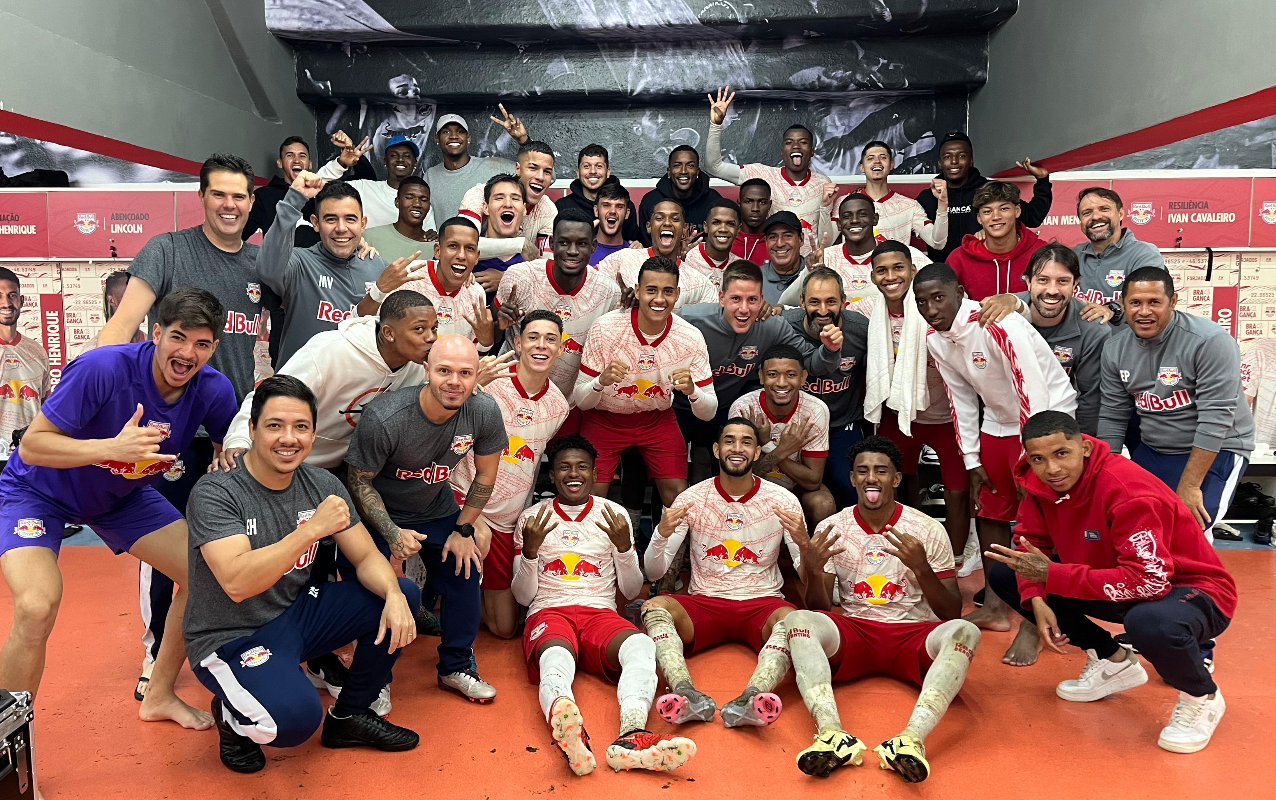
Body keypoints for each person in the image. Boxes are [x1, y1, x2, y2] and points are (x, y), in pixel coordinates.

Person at [0, 288, 239, 733]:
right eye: (178, 337)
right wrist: (110, 447)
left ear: (214, 347)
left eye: (202, 344)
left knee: (203, 571)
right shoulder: (103, 368)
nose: (187, 354)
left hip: (121, 496)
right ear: (156, 332)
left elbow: (235, 444)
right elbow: (32, 446)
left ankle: (160, 693)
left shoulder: (213, 389)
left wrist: (231, 455)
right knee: (36, 605)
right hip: (39, 492)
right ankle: (11, 750)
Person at [185, 375, 421, 773]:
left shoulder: (321, 483)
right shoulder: (216, 491)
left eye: (301, 427)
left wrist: (395, 598)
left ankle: (350, 716)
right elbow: (238, 583)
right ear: (253, 429)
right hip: (230, 635)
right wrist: (311, 530)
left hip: (297, 616)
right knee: (291, 723)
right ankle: (231, 717)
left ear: (314, 434)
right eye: (275, 426)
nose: (288, 438)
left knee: (400, 594)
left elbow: (364, 556)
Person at [98, 154, 267, 702]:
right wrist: (107, 405)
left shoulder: (259, 266)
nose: (229, 204)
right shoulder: (167, 249)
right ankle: (155, 652)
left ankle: (222, 645)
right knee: (166, 549)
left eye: (239, 196)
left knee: (232, 547)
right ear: (202, 197)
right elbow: (122, 328)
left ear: (250, 202)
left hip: (231, 436)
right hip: (167, 435)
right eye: (219, 194)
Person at [220, 291, 436, 709]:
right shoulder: (330, 351)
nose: (430, 338)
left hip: (337, 471)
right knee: (292, 567)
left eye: (433, 329)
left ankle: (341, 660)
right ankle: (280, 656)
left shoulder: (412, 370)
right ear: (388, 332)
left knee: (348, 565)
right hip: (286, 462)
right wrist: (236, 440)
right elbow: (270, 396)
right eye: (420, 330)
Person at [986, 411, 1236, 754]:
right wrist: (1037, 598)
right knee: (1006, 573)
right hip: (1120, 578)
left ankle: (1202, 695)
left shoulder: (1127, 491)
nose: (1052, 469)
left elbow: (1150, 584)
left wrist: (1052, 576)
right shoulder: (1040, 484)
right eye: (1039, 459)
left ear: (1084, 448)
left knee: (1149, 622)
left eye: (1062, 454)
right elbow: (1031, 545)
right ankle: (1111, 660)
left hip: (1193, 590)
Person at [786, 436, 979, 782]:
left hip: (913, 636)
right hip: (856, 632)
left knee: (967, 632)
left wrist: (922, 568)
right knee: (798, 619)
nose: (871, 478)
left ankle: (912, 740)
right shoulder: (832, 527)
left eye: (881, 471)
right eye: (862, 471)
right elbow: (819, 608)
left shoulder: (927, 529)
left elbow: (951, 612)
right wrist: (813, 572)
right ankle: (831, 734)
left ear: (896, 478)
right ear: (853, 479)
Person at [513, 436, 696, 774]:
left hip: (600, 611)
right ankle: (569, 729)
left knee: (641, 645)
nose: (574, 474)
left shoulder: (613, 514)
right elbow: (523, 598)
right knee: (556, 656)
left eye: (582, 467)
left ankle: (632, 735)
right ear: (551, 476)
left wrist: (626, 549)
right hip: (549, 610)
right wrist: (530, 552)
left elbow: (629, 590)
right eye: (564, 467)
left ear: (597, 473)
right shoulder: (532, 518)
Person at [915, 263, 1076, 641]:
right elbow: (961, 400)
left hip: (1048, 419)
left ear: (958, 293)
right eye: (922, 302)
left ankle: (1038, 617)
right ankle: (996, 606)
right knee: (988, 508)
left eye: (939, 298)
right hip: (1000, 421)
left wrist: (1031, 459)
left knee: (1039, 514)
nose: (931, 309)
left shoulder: (997, 323)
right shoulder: (936, 340)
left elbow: (1031, 388)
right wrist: (972, 460)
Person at [344, 335, 504, 702]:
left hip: (436, 509)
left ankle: (456, 666)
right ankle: (376, 679)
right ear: (426, 370)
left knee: (466, 566)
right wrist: (391, 532)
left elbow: (485, 475)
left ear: (476, 375)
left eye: (465, 373)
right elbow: (358, 481)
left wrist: (465, 528)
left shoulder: (483, 411)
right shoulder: (386, 416)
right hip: (378, 515)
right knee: (377, 591)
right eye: (444, 371)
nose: (454, 381)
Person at [641, 419, 808, 728]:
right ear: (717, 449)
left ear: (758, 452)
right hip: (705, 602)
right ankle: (684, 692)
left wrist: (805, 545)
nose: (737, 448)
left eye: (746, 442)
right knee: (654, 606)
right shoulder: (692, 498)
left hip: (762, 600)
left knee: (795, 621)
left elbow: (805, 574)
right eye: (729, 441)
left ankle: (753, 697)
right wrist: (660, 535)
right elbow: (654, 571)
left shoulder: (782, 500)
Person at [1098, 267, 1254, 540]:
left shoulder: (1210, 341)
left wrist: (1191, 485)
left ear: (1173, 302)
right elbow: (1113, 414)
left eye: (1154, 302)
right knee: (1131, 528)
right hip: (1155, 448)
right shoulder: (1114, 348)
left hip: (1218, 448)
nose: (1144, 311)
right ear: (1123, 304)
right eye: (1135, 302)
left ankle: (1199, 581)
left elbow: (1216, 418)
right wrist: (1106, 476)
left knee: (1187, 530)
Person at [451, 310, 569, 640]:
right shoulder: (490, 380)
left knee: (504, 629)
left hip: (505, 519)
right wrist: (472, 385)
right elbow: (436, 416)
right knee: (473, 547)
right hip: (460, 498)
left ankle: (458, 594)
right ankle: (440, 588)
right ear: (517, 343)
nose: (541, 345)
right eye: (533, 337)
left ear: (560, 348)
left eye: (550, 339)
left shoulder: (559, 405)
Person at [572, 258, 716, 508]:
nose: (659, 299)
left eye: (668, 291)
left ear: (678, 294)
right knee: (589, 500)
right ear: (637, 290)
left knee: (679, 500)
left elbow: (709, 411)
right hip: (603, 418)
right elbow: (582, 402)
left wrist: (692, 391)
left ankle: (668, 548)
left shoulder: (690, 336)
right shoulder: (606, 327)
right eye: (651, 290)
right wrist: (600, 381)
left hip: (656, 419)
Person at [863, 243, 970, 562]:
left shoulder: (936, 307)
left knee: (956, 492)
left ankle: (955, 558)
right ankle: (903, 549)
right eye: (882, 270)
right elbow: (823, 307)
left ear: (913, 270)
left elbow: (977, 312)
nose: (891, 276)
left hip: (947, 419)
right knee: (895, 481)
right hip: (899, 414)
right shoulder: (870, 309)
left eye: (898, 268)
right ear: (872, 276)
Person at [256, 173, 416, 366]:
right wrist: (293, 200)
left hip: (358, 390)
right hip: (299, 391)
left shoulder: (378, 267)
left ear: (363, 224)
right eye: (331, 219)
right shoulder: (300, 263)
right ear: (315, 223)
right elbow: (268, 269)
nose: (341, 228)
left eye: (350, 219)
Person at [679, 260, 842, 449]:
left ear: (762, 299)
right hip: (680, 407)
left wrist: (830, 350)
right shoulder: (691, 320)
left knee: (729, 466)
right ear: (721, 298)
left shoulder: (771, 326)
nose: (744, 309)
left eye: (752, 299)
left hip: (726, 409)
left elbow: (812, 365)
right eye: (736, 299)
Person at [986, 245, 1115, 436]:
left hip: (1061, 426)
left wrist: (1078, 445)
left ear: (1075, 284)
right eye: (1043, 280)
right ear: (1028, 282)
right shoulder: (1000, 316)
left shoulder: (1094, 329)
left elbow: (1090, 400)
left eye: (1063, 281)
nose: (1052, 290)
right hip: (1005, 424)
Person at [495, 210, 621, 405]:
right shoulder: (520, 277)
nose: (572, 251)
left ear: (593, 246)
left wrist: (633, 308)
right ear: (552, 243)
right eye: (564, 242)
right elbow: (492, 335)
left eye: (581, 243)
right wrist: (498, 323)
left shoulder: (609, 293)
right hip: (508, 396)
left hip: (565, 404)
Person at [781, 268, 869, 510]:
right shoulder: (783, 327)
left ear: (843, 300)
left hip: (842, 423)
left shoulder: (860, 329)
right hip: (794, 427)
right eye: (814, 302)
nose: (822, 310)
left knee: (848, 483)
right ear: (801, 302)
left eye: (831, 301)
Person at [705, 88, 835, 248]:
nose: (795, 146)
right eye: (789, 142)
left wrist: (826, 206)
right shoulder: (762, 174)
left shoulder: (823, 183)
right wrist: (716, 124)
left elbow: (826, 243)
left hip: (809, 265)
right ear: (782, 152)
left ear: (812, 151)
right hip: (773, 261)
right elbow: (714, 167)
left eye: (803, 142)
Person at [730, 345, 835, 526]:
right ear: (761, 376)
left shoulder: (815, 410)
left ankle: (812, 553)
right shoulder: (743, 408)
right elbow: (738, 477)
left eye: (791, 375)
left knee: (823, 503)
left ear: (803, 378)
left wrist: (768, 446)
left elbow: (813, 482)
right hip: (755, 488)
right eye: (772, 374)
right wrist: (781, 449)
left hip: (798, 486)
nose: (781, 383)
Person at [775, 192, 929, 310]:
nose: (855, 220)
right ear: (840, 224)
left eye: (862, 214)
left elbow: (936, 291)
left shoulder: (905, 255)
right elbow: (787, 302)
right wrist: (811, 273)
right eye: (847, 216)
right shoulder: (826, 258)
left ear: (875, 219)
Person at [915, 132, 1052, 263]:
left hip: (983, 270)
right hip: (942, 278)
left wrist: (1042, 180)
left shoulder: (989, 190)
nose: (954, 161)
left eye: (962, 156)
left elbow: (1033, 217)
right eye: (947, 157)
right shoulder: (927, 197)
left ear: (971, 160)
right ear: (939, 163)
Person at [596, 200, 716, 308]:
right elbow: (587, 284)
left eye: (675, 219)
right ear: (649, 226)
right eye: (659, 218)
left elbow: (710, 321)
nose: (667, 223)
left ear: (684, 229)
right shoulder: (622, 259)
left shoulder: (699, 283)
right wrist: (616, 297)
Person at [396, 218, 492, 352]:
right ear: (437, 251)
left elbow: (476, 353)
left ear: (477, 256)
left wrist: (486, 341)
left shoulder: (476, 293)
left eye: (469, 248)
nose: (461, 255)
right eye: (453, 246)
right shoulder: (410, 276)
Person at [944, 181, 1046, 301]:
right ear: (979, 218)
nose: (996, 217)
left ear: (1017, 211)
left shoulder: (1044, 253)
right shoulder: (958, 259)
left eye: (1004, 209)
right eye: (987, 211)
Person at [426, 109, 530, 223]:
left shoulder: (493, 167)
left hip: (485, 241)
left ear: (468, 138)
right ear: (437, 138)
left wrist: (523, 140)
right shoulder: (430, 176)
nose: (453, 136)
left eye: (460, 132)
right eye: (446, 132)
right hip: (445, 240)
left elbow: (540, 175)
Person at [459, 140, 558, 259]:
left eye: (547, 172)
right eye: (533, 168)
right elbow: (462, 242)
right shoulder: (480, 195)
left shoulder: (547, 209)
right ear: (518, 169)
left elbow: (547, 263)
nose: (540, 177)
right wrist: (520, 245)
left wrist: (509, 276)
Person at [318, 132, 437, 230]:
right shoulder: (364, 188)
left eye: (407, 156)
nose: (400, 159)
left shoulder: (420, 202)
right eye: (393, 155)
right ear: (385, 161)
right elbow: (318, 186)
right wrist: (341, 163)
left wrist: (430, 235)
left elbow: (429, 236)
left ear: (415, 163)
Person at [1073, 186, 1165, 307]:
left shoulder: (1144, 254)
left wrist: (1111, 310)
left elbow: (1144, 297)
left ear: (1120, 214)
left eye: (1104, 209)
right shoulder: (1074, 254)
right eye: (1087, 213)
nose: (1095, 216)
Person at [858, 140, 949, 251]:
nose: (877, 161)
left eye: (883, 157)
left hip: (894, 267)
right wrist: (829, 207)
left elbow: (937, 243)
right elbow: (829, 241)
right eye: (870, 158)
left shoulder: (910, 206)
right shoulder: (846, 203)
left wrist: (943, 203)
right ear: (862, 167)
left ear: (892, 164)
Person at [0, 267, 50, 464]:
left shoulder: (38, 352)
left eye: (12, 296)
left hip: (30, 456)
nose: (6, 303)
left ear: (21, 301)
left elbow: (46, 404)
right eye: (0, 296)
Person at [241, 136, 321, 248]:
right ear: (280, 163)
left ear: (310, 164)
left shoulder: (320, 197)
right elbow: (240, 234)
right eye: (290, 155)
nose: (297, 160)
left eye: (302, 156)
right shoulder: (264, 196)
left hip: (318, 264)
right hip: (279, 264)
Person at [555, 144, 643, 244]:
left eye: (599, 166)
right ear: (578, 173)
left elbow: (632, 241)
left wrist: (637, 245)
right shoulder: (563, 206)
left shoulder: (624, 206)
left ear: (608, 172)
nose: (593, 171)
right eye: (587, 166)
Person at [637, 146, 723, 240]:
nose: (683, 171)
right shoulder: (651, 201)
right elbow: (645, 242)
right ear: (669, 172)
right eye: (677, 165)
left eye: (690, 166)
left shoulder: (713, 200)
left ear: (697, 172)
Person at [469, 174, 529, 303]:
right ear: (486, 208)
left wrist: (505, 280)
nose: (508, 204)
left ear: (524, 209)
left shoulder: (529, 260)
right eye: (499, 198)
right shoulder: (464, 250)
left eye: (515, 198)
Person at [361, 176, 438, 262]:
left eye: (423, 199)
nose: (417, 204)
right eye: (409, 197)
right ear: (397, 202)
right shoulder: (369, 237)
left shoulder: (437, 247)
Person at [681, 198, 740, 291]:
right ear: (706, 226)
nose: (723, 229)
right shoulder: (686, 257)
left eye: (730, 224)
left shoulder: (740, 267)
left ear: (738, 230)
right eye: (716, 223)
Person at [759, 211, 807, 304]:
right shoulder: (754, 278)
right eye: (773, 237)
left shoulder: (813, 275)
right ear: (766, 242)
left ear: (801, 239)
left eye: (787, 236)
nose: (780, 243)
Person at [590, 181, 634, 266]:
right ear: (596, 210)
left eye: (619, 206)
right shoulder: (583, 252)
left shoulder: (634, 254)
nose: (613, 211)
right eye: (606, 205)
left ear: (627, 214)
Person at [733, 179, 772, 266]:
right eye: (748, 202)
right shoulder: (728, 240)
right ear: (739, 204)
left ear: (769, 205)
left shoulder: (776, 243)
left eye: (762, 202)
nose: (755, 208)